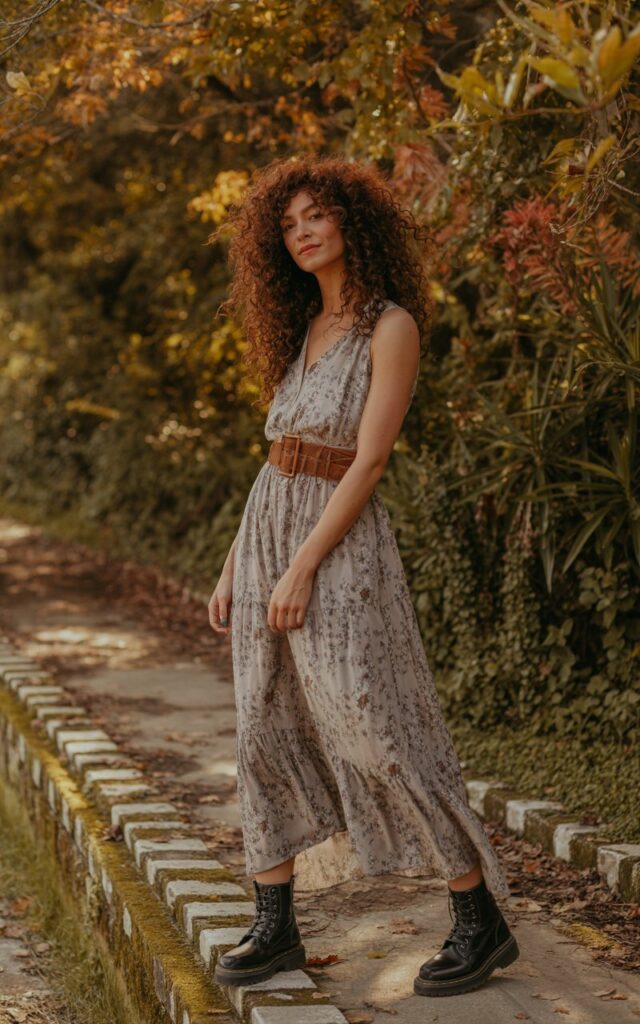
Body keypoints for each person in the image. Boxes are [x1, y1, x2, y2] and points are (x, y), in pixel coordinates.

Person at [207, 154, 519, 998]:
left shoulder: (392, 327)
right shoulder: (301, 332)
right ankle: (276, 926)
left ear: (352, 222)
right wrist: (241, 559)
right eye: (289, 224)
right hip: (269, 528)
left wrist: (303, 565)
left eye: (317, 215)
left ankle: (476, 916)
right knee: (259, 727)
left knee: (377, 722)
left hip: (338, 546)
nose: (303, 232)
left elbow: (370, 458)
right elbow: (277, 456)